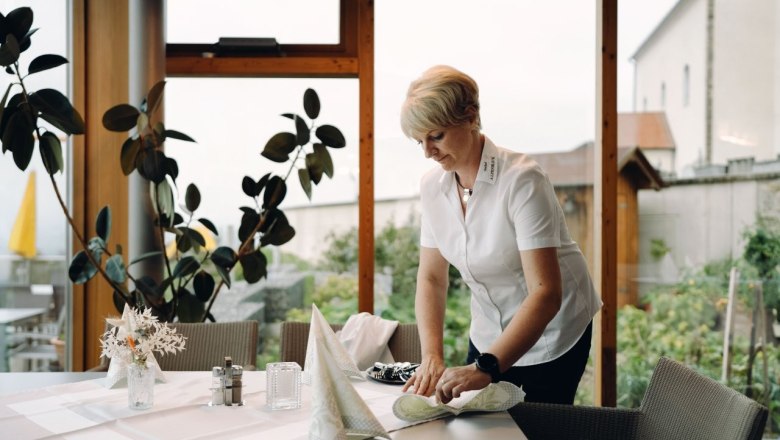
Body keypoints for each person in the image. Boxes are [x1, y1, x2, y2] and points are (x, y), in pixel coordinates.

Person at [399, 65, 602, 405]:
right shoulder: (432, 188)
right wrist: (432, 354)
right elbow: (432, 277)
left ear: (470, 117)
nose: (427, 152)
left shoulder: (522, 180)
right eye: (419, 141)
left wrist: (488, 366)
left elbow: (546, 293)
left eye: (436, 136)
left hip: (552, 331)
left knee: (532, 431)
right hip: (487, 330)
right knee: (475, 426)